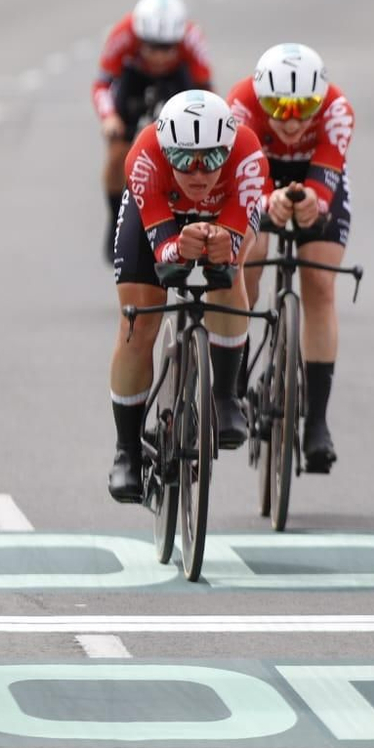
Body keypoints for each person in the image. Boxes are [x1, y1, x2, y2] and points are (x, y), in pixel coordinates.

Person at [107, 90, 269, 503]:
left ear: (228, 150)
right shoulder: (143, 156)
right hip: (162, 216)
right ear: (166, 152)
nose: (198, 173)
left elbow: (235, 245)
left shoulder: (249, 156)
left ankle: (226, 397)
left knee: (228, 276)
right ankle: (126, 450)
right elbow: (164, 254)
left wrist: (221, 245)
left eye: (212, 159)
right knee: (137, 322)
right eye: (184, 160)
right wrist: (181, 246)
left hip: (223, 214)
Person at [228, 43, 355, 474]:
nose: (292, 119)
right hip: (256, 178)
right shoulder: (240, 104)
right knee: (251, 258)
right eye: (279, 108)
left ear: (319, 101)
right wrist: (267, 202)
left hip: (314, 181)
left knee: (319, 284)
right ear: (262, 99)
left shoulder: (337, 109)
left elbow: (325, 182)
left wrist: (310, 203)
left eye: (303, 108)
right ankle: (236, 380)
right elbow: (240, 179)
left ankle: (316, 422)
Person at [93, 0, 215, 252]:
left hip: (176, 78)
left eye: (167, 48)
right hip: (134, 76)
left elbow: (207, 91)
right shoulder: (123, 33)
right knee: (117, 153)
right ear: (139, 39)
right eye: (152, 47)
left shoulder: (192, 39)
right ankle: (116, 218)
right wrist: (110, 118)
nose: (159, 57)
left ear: (179, 40)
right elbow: (102, 84)